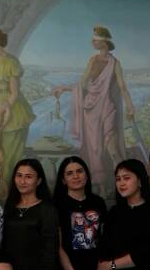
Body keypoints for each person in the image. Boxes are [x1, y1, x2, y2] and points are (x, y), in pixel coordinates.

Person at [52, 26, 137, 184]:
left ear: (104, 42)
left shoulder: (115, 63)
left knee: (113, 149)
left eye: (95, 39)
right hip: (90, 109)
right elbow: (82, 84)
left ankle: (122, 182)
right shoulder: (92, 60)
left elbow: (122, 87)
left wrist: (130, 107)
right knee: (94, 150)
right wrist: (63, 88)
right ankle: (101, 185)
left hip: (106, 108)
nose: (92, 42)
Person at [0, 28, 35, 200]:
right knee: (0, 153)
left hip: (15, 110)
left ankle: (9, 195)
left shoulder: (11, 62)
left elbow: (14, 93)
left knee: (10, 156)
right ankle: (3, 193)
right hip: (1, 107)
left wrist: (2, 110)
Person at [53, 157, 106, 270]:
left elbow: (102, 239)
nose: (75, 176)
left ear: (87, 175)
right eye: (69, 173)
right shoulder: (57, 205)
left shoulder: (98, 202)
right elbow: (58, 246)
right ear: (63, 180)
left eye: (79, 171)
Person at [1, 158, 56, 270]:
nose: (22, 181)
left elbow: (50, 249)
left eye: (28, 176)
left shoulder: (46, 209)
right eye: (19, 175)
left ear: (38, 181)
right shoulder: (10, 207)